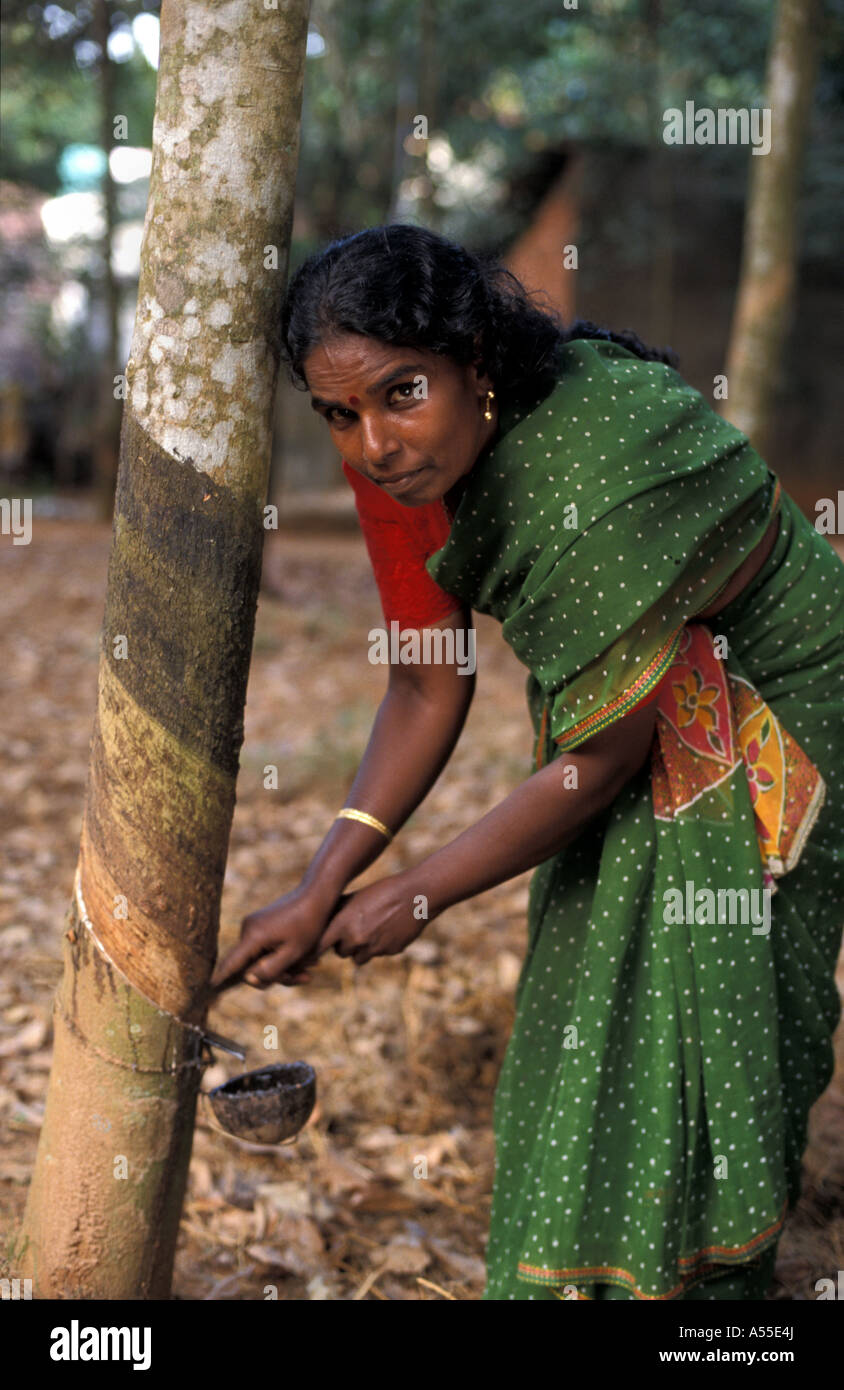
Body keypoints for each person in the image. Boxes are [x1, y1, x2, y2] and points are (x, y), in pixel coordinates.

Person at [211, 224, 844, 1301]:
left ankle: (710, 1290)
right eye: (338, 415)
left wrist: (417, 895)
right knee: (592, 975)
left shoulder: (591, 468)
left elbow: (598, 763)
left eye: (401, 393)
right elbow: (424, 679)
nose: (371, 442)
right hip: (632, 694)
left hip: (772, 693)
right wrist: (323, 882)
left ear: (478, 362)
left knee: (722, 988)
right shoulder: (398, 462)